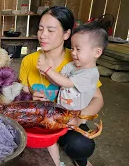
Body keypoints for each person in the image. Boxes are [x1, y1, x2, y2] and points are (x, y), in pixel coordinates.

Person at [19, 6, 104, 166]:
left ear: (66, 34)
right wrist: (30, 96)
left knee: (81, 146)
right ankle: (51, 146)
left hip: (68, 122)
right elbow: (22, 93)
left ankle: (76, 156)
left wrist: (79, 119)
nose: (43, 35)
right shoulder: (28, 60)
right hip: (41, 120)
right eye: (40, 29)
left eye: (50, 30)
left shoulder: (78, 62)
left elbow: (98, 99)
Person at [37, 21, 108, 165]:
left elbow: (67, 83)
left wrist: (47, 69)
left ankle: (81, 160)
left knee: (80, 144)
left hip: (75, 118)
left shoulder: (90, 73)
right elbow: (59, 81)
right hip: (61, 113)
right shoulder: (73, 66)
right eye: (72, 48)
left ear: (97, 52)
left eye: (78, 49)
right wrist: (47, 75)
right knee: (48, 137)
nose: (73, 53)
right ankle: (56, 163)